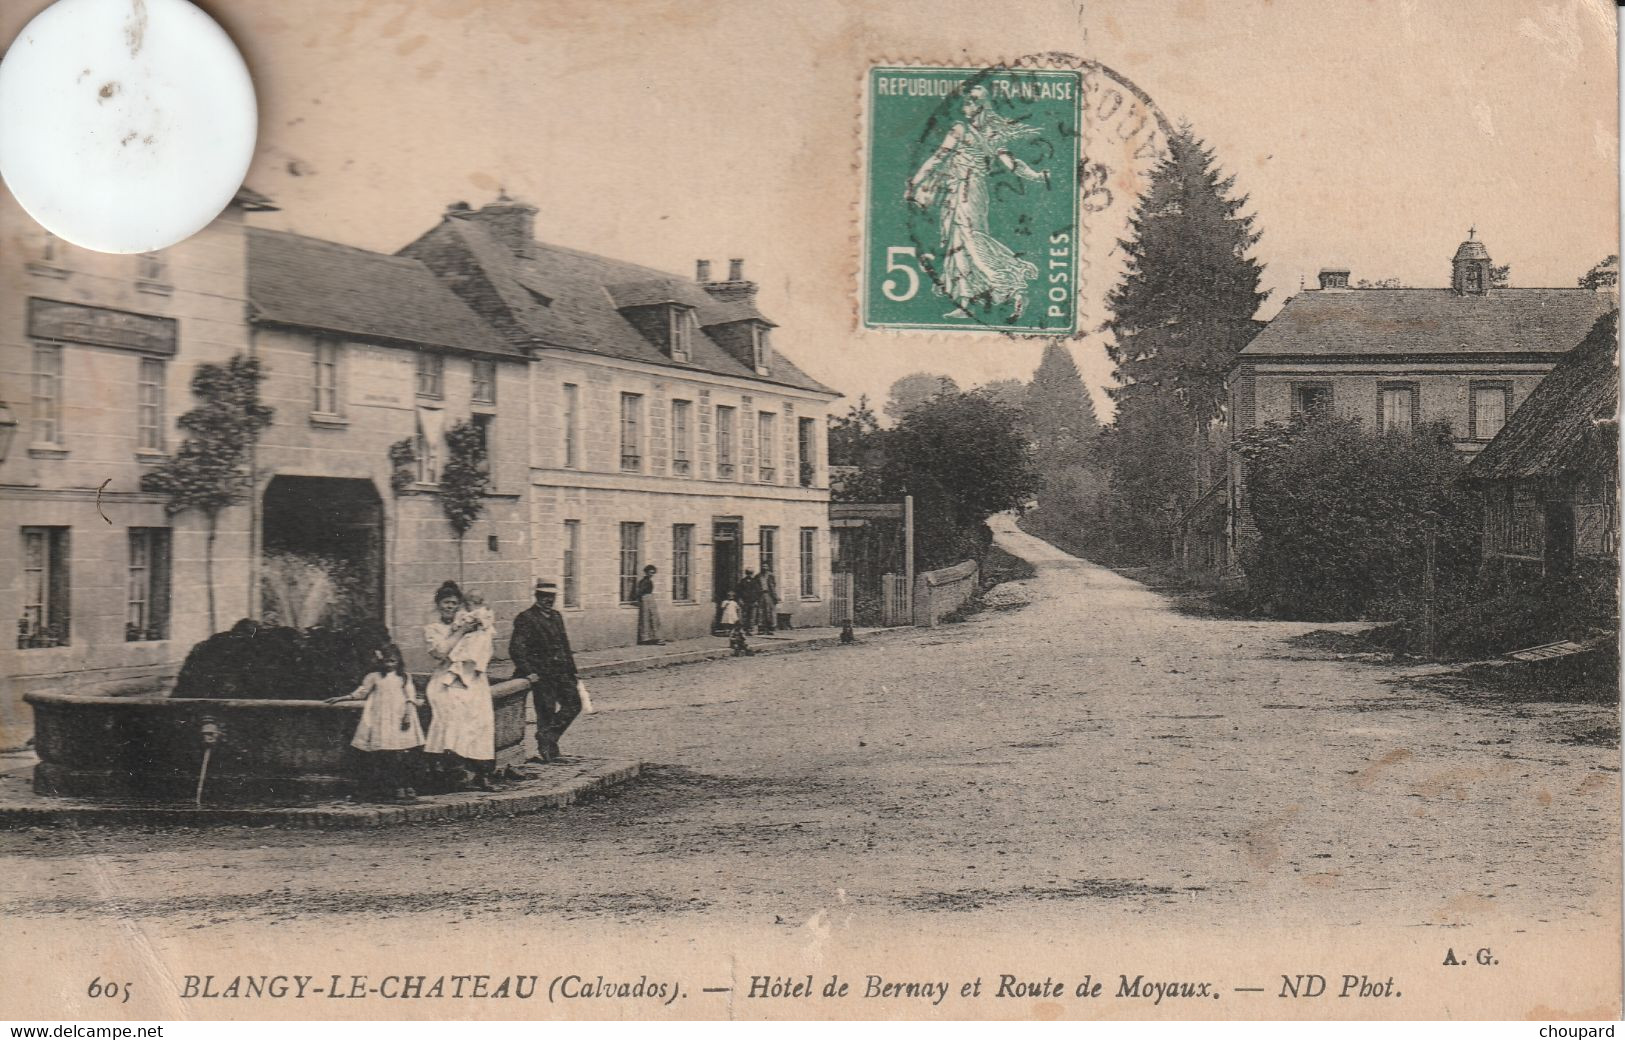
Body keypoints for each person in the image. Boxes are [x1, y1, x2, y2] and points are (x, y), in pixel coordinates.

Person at [905, 83, 1047, 321]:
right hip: (974, 193)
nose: (965, 106)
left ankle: (1008, 283)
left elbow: (938, 158)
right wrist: (1037, 176)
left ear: (980, 106)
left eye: (970, 102)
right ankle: (965, 302)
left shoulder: (961, 130)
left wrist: (914, 182)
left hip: (964, 191)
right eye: (965, 102)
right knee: (960, 241)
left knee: (968, 241)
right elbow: (1012, 165)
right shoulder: (992, 133)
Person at [422, 580, 499, 791]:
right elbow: (439, 653)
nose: (450, 607)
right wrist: (461, 632)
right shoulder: (433, 628)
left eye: (455, 603)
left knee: (481, 720)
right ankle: (454, 773)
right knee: (452, 717)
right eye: (446, 603)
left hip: (472, 676)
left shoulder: (468, 620)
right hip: (445, 679)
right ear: (438, 604)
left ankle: (482, 773)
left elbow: (486, 640)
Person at [325, 643, 423, 804]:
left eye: (393, 661)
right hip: (382, 719)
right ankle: (391, 788)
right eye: (386, 661)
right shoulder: (374, 677)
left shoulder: (404, 677)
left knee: (403, 754)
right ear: (381, 661)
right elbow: (361, 692)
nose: (390, 665)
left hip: (400, 718)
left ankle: (405, 786)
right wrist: (342, 698)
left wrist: (407, 714)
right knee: (386, 754)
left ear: (398, 660)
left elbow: (410, 697)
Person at [509, 578, 581, 763]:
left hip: (562, 672)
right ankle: (549, 751)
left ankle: (547, 735)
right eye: (544, 596)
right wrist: (528, 672)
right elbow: (517, 649)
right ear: (537, 596)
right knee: (546, 711)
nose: (548, 600)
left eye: (552, 597)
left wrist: (572, 671)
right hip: (541, 674)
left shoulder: (557, 616)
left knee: (574, 704)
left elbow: (565, 644)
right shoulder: (526, 618)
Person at [635, 564, 665, 645]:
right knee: (647, 618)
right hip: (646, 599)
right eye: (650, 572)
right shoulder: (644, 581)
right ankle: (647, 638)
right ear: (646, 572)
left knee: (654, 618)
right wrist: (640, 598)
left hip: (650, 598)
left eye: (653, 573)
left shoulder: (649, 581)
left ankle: (655, 638)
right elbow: (639, 591)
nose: (651, 574)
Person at [735, 568, 762, 634]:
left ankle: (751, 630)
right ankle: (744, 629)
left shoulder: (755, 581)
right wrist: (740, 599)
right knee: (745, 615)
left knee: (752, 616)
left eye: (750, 573)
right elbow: (739, 591)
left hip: (753, 601)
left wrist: (757, 600)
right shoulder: (742, 581)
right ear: (746, 574)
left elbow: (758, 591)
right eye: (748, 573)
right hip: (745, 601)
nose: (749, 575)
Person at [758, 564, 780, 635]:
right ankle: (761, 629)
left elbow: (773, 586)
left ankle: (771, 629)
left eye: (766, 566)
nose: (764, 568)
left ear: (768, 567)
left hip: (769, 595)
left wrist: (775, 596)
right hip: (761, 595)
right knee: (761, 612)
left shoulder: (771, 576)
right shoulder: (758, 576)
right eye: (763, 566)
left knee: (769, 611)